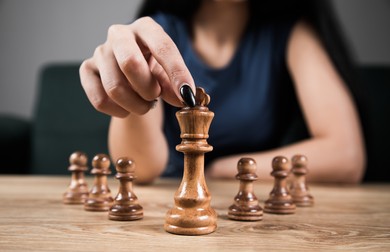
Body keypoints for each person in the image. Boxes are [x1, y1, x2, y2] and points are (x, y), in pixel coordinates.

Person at [79, 0, 366, 184]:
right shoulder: (159, 30)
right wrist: (134, 79)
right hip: (163, 198)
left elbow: (346, 155)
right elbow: (138, 169)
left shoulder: (291, 35)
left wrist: (219, 170)